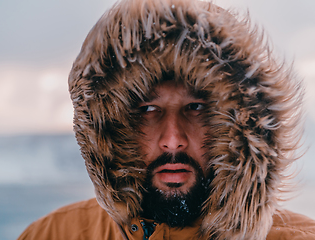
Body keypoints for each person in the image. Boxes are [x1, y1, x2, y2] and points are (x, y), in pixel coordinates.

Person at [18, 0, 315, 239]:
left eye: (196, 108)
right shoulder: (53, 234)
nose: (173, 139)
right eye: (148, 110)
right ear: (111, 129)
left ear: (240, 126)